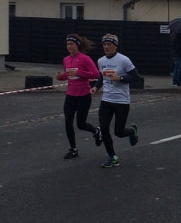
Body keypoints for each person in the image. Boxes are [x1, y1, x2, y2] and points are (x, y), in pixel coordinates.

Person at [91, 33, 141, 168]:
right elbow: (101, 77)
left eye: (109, 44)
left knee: (118, 132)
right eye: (104, 44)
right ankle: (112, 156)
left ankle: (131, 131)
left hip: (122, 101)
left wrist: (121, 78)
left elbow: (136, 77)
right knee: (104, 128)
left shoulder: (124, 60)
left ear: (115, 46)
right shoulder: (101, 61)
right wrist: (96, 87)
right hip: (106, 100)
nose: (106, 47)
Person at [55, 34, 102, 160]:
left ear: (77, 45)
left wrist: (79, 73)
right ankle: (73, 149)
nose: (69, 47)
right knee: (68, 122)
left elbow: (96, 74)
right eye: (67, 44)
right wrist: (61, 77)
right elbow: (68, 75)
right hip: (70, 95)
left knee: (81, 124)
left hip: (84, 95)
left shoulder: (85, 59)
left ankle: (96, 131)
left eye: (72, 44)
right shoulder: (66, 60)